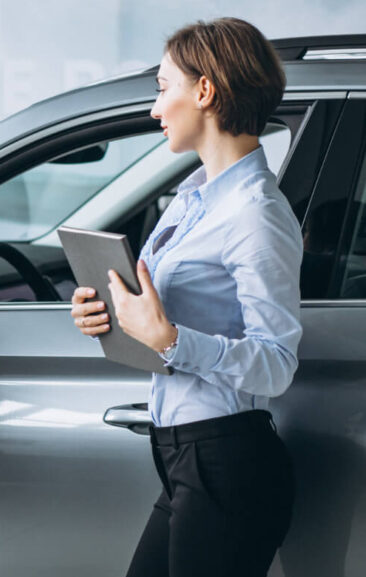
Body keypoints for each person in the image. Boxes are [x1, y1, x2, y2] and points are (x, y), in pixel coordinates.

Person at [70, 17, 301, 577]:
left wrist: (171, 340)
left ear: (204, 91)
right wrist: (107, 311)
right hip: (181, 457)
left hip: (227, 460)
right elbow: (159, 303)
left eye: (162, 87)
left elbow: (277, 364)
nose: (155, 108)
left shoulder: (256, 213)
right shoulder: (192, 199)